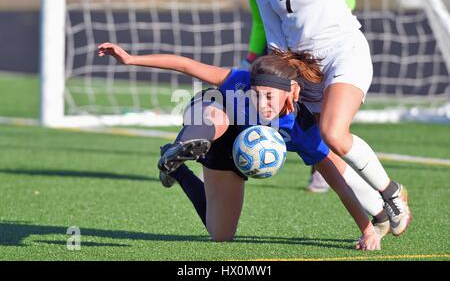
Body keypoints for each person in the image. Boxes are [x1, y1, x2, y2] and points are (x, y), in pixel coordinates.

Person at [98, 42, 385, 250]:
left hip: (232, 154)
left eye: (269, 97)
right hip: (210, 119)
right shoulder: (238, 81)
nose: (262, 105)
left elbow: (338, 182)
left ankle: (178, 170)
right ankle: (186, 144)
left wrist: (367, 229)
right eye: (256, 95)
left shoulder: (302, 131)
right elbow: (186, 65)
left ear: (293, 91)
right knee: (216, 113)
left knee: (220, 235)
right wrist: (131, 59)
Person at [251, 0, 450, 235]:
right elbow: (275, 40)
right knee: (321, 151)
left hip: (344, 53)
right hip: (304, 69)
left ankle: (391, 193)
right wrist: (285, 83)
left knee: (333, 132)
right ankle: (379, 216)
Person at [241, 0, 358, 193]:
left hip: (319, 49)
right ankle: (228, 156)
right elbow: (260, 22)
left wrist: (314, 20)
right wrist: (253, 55)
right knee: (256, 101)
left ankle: (322, 168)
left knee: (323, 114)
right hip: (281, 50)